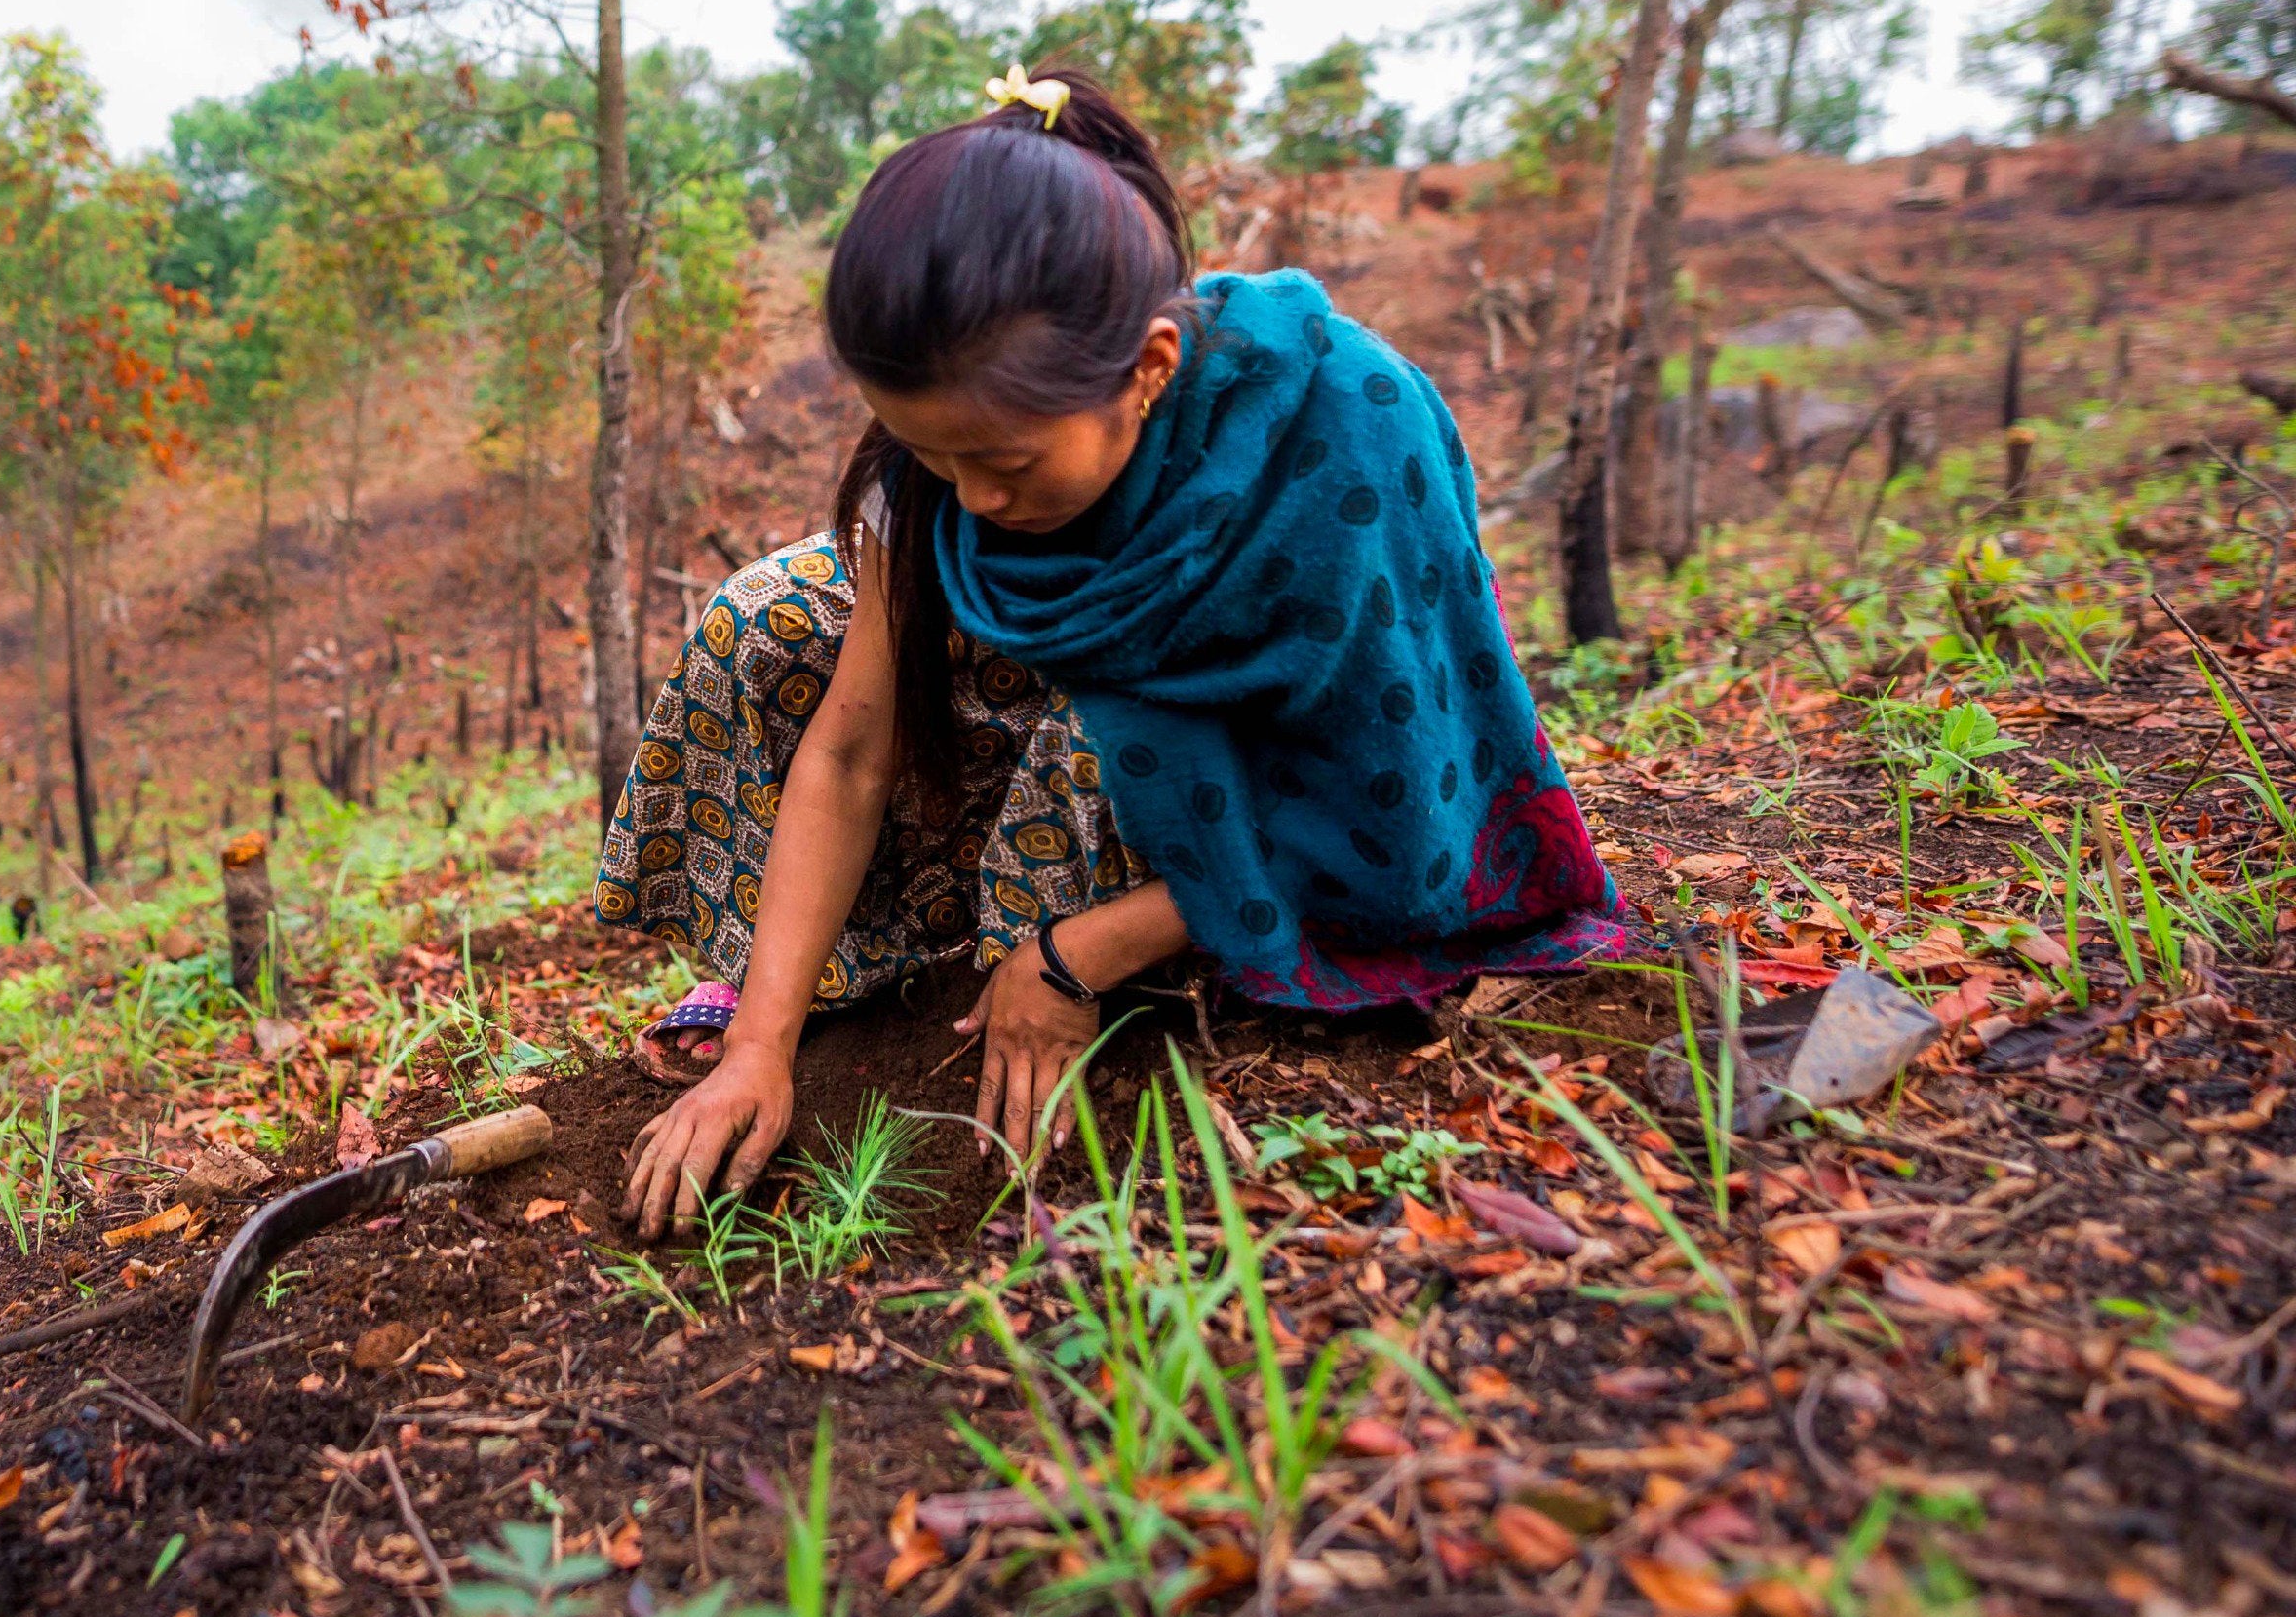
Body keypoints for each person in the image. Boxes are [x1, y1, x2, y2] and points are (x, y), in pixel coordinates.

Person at [610, 63, 1632, 1236]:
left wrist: (1075, 955)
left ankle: (1109, 948)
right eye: (936, 460)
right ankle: (900, 956)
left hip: (1263, 805)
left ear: (1147, 370)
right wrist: (758, 1048)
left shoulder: (1338, 436)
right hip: (1041, 745)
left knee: (1103, 727)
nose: (973, 498)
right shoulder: (956, 448)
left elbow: (1378, 780)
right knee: (769, 616)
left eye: (1006, 462)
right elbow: (850, 755)